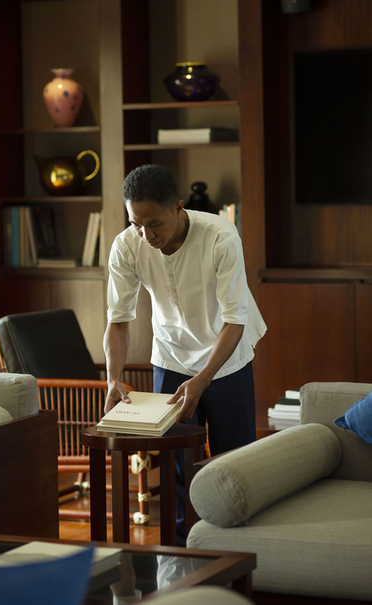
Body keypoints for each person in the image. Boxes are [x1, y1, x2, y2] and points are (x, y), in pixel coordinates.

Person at [103, 164, 267, 545]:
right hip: (172, 356)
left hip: (227, 355)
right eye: (136, 223)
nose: (147, 235)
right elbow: (119, 321)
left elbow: (235, 321)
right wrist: (112, 378)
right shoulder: (127, 246)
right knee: (176, 464)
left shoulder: (220, 236)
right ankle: (180, 549)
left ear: (179, 207)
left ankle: (237, 545)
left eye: (155, 224)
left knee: (233, 461)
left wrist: (204, 379)